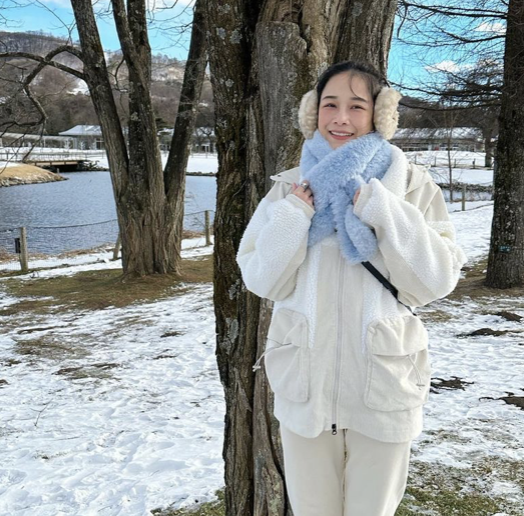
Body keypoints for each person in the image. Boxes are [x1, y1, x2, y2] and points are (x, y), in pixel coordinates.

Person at [236, 61, 467, 516]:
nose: (341, 118)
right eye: (330, 104)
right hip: (306, 381)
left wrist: (383, 209)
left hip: (383, 384)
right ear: (312, 112)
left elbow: (438, 279)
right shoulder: (288, 190)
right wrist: (294, 218)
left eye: (356, 106)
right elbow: (261, 279)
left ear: (379, 115)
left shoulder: (411, 186)